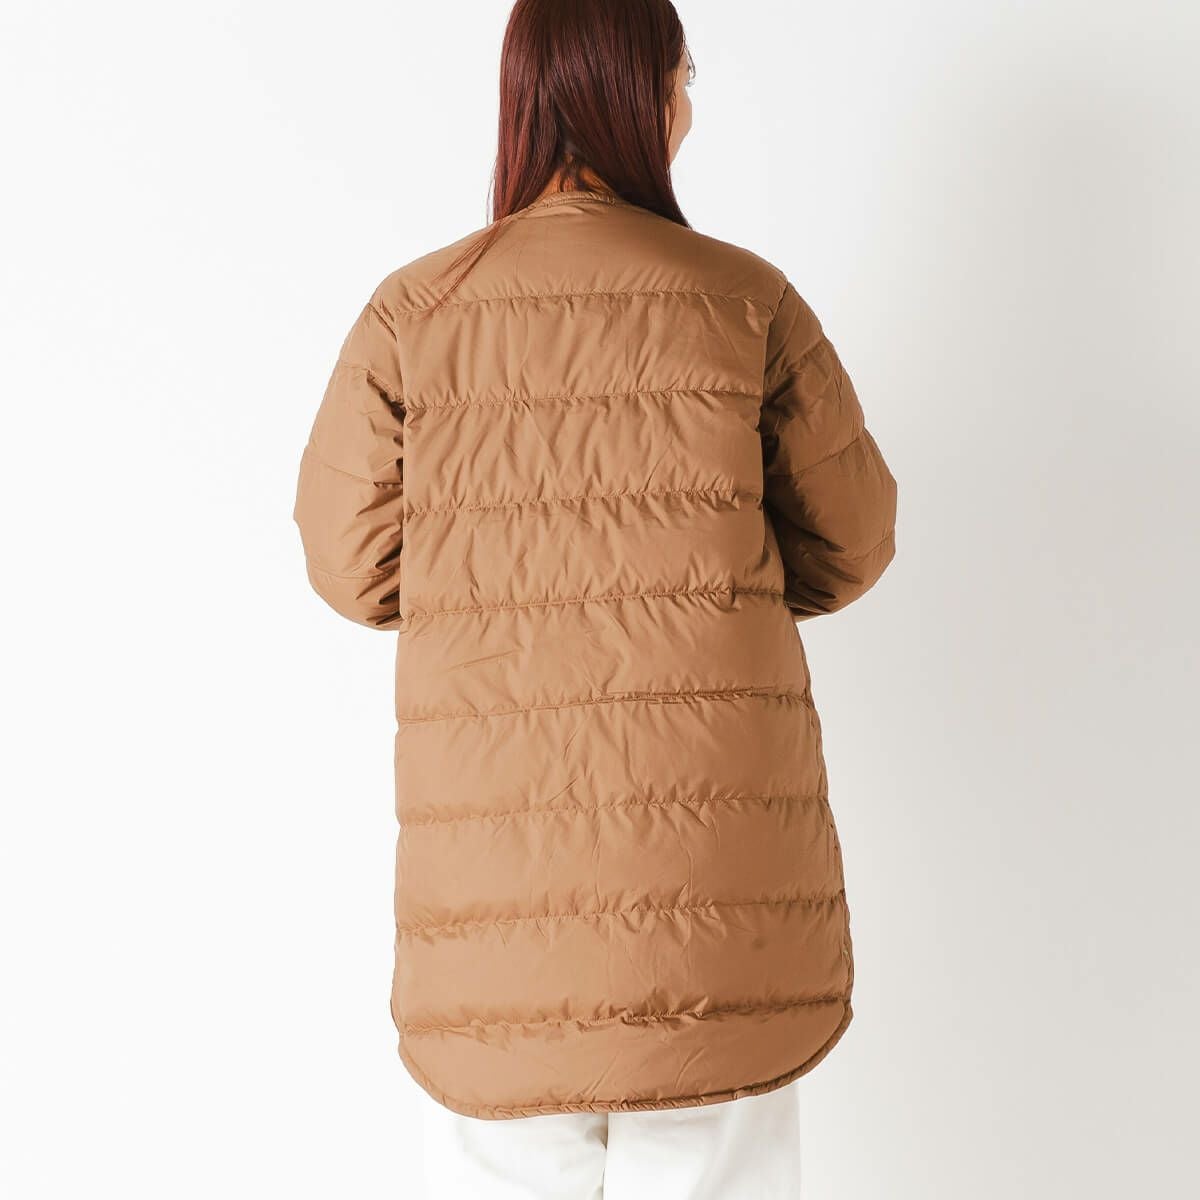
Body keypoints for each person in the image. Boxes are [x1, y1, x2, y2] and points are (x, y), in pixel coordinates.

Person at [291, 0, 897, 1194]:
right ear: (653, 98)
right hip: (714, 874)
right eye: (686, 80)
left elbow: (350, 566)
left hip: (495, 875)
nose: (689, 106)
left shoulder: (415, 314)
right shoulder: (746, 303)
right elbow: (852, 543)